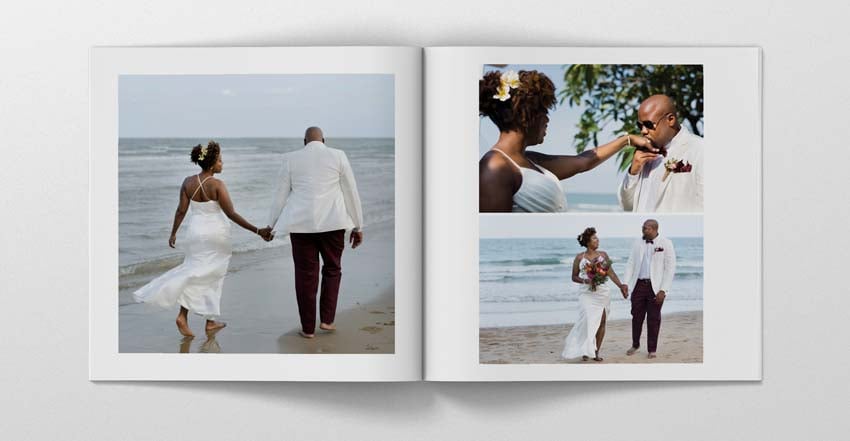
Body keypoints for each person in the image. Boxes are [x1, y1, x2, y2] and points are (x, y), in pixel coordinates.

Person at [133, 141, 272, 338]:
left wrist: (173, 233)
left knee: (195, 271)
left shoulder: (187, 182)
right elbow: (231, 213)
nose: (223, 164)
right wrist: (258, 231)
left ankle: (206, 320)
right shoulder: (217, 185)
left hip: (195, 233)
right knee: (212, 275)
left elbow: (181, 210)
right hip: (216, 234)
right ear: (212, 163)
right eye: (220, 160)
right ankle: (195, 318)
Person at [479, 69, 656, 213]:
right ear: (527, 116)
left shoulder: (530, 160)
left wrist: (627, 140)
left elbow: (584, 161)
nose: (548, 120)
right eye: (544, 112)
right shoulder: (495, 168)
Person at [266, 127, 364, 339]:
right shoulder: (338, 156)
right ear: (324, 140)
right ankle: (327, 320)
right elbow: (351, 191)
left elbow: (279, 195)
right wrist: (358, 225)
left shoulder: (291, 159)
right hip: (334, 224)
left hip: (301, 227)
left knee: (305, 277)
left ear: (304, 141)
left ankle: (308, 328)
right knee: (332, 269)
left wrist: (270, 224)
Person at [619, 94, 704, 212]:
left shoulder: (700, 150)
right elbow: (627, 206)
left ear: (670, 120)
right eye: (640, 125)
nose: (643, 131)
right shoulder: (643, 154)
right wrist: (633, 172)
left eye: (648, 124)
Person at [562, 227, 628, 362]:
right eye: (594, 238)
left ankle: (596, 351)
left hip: (602, 292)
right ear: (587, 241)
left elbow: (611, 273)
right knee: (588, 320)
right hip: (586, 293)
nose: (597, 240)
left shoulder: (603, 255)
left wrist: (621, 286)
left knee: (602, 321)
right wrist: (586, 280)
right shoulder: (579, 257)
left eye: (597, 238)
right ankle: (586, 350)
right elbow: (574, 277)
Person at [622, 219, 677, 358]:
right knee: (636, 316)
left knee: (654, 319)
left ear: (654, 229)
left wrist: (663, 290)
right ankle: (635, 344)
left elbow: (670, 268)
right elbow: (630, 264)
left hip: (656, 287)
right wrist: (625, 283)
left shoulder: (666, 243)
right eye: (642, 227)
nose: (643, 230)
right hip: (638, 285)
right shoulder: (637, 242)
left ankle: (652, 350)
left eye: (646, 228)